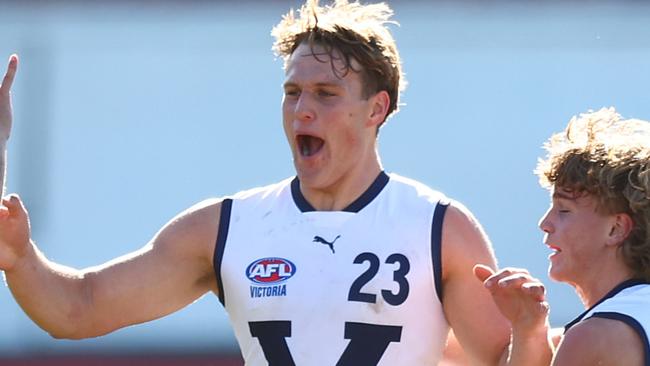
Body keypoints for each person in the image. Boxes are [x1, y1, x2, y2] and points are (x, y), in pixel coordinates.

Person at [0, 1, 514, 364]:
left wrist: (551, 329)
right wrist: (21, 258)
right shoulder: (227, 226)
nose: (302, 110)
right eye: (292, 92)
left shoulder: (437, 228)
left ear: (376, 109)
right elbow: (79, 308)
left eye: (325, 94)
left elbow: (506, 359)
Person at [475, 107, 650, 365]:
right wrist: (529, 329)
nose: (545, 223)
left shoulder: (592, 336)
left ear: (616, 229)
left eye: (564, 210)